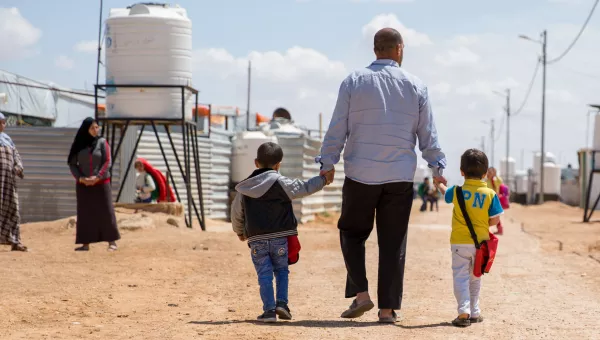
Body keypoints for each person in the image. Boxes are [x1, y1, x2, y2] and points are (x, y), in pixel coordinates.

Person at [316, 27, 447, 323]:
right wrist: (437, 168)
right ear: (399, 49)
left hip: (360, 174)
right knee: (392, 242)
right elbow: (428, 134)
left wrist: (327, 162)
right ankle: (387, 310)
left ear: (375, 49)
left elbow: (338, 126)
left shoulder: (353, 81)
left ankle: (361, 295)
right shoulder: (416, 86)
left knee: (352, 234)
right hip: (399, 178)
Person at [231, 142, 333, 323]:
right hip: (280, 238)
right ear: (279, 165)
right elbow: (306, 187)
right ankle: (282, 305)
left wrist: (240, 231)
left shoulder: (244, 188)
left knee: (264, 273)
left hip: (257, 239)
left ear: (256, 162)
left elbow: (236, 212)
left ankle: (269, 311)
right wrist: (324, 179)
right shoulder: (283, 183)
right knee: (281, 270)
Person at [435, 149, 504, 327]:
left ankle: (463, 312)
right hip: (480, 243)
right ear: (485, 173)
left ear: (462, 171)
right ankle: (475, 312)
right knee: (475, 277)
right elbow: (496, 219)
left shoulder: (457, 192)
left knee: (460, 277)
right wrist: (483, 224)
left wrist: (439, 183)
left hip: (459, 243)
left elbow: (445, 192)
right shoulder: (490, 194)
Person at [68, 117, 120, 252]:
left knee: (106, 211)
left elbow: (107, 161)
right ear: (86, 129)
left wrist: (97, 177)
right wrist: (81, 179)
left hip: (101, 183)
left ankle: (112, 242)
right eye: (92, 128)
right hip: (84, 185)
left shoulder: (102, 142)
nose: (96, 130)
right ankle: (85, 244)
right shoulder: (79, 144)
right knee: (85, 213)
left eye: (97, 127)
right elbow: (72, 164)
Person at [0, 113, 27, 252]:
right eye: (0, 122)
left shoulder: (7, 139)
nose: (2, 125)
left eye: (3, 122)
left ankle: (15, 241)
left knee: (14, 209)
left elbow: (16, 156)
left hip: (9, 181)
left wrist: (18, 167)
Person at [486, 167, 504, 235]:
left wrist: (495, 175)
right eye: (488, 172)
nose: (489, 173)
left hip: (495, 200)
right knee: (488, 215)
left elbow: (500, 181)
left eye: (491, 172)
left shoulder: (495, 180)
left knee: (496, 215)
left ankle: (500, 229)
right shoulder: (486, 181)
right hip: (488, 200)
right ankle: (487, 229)